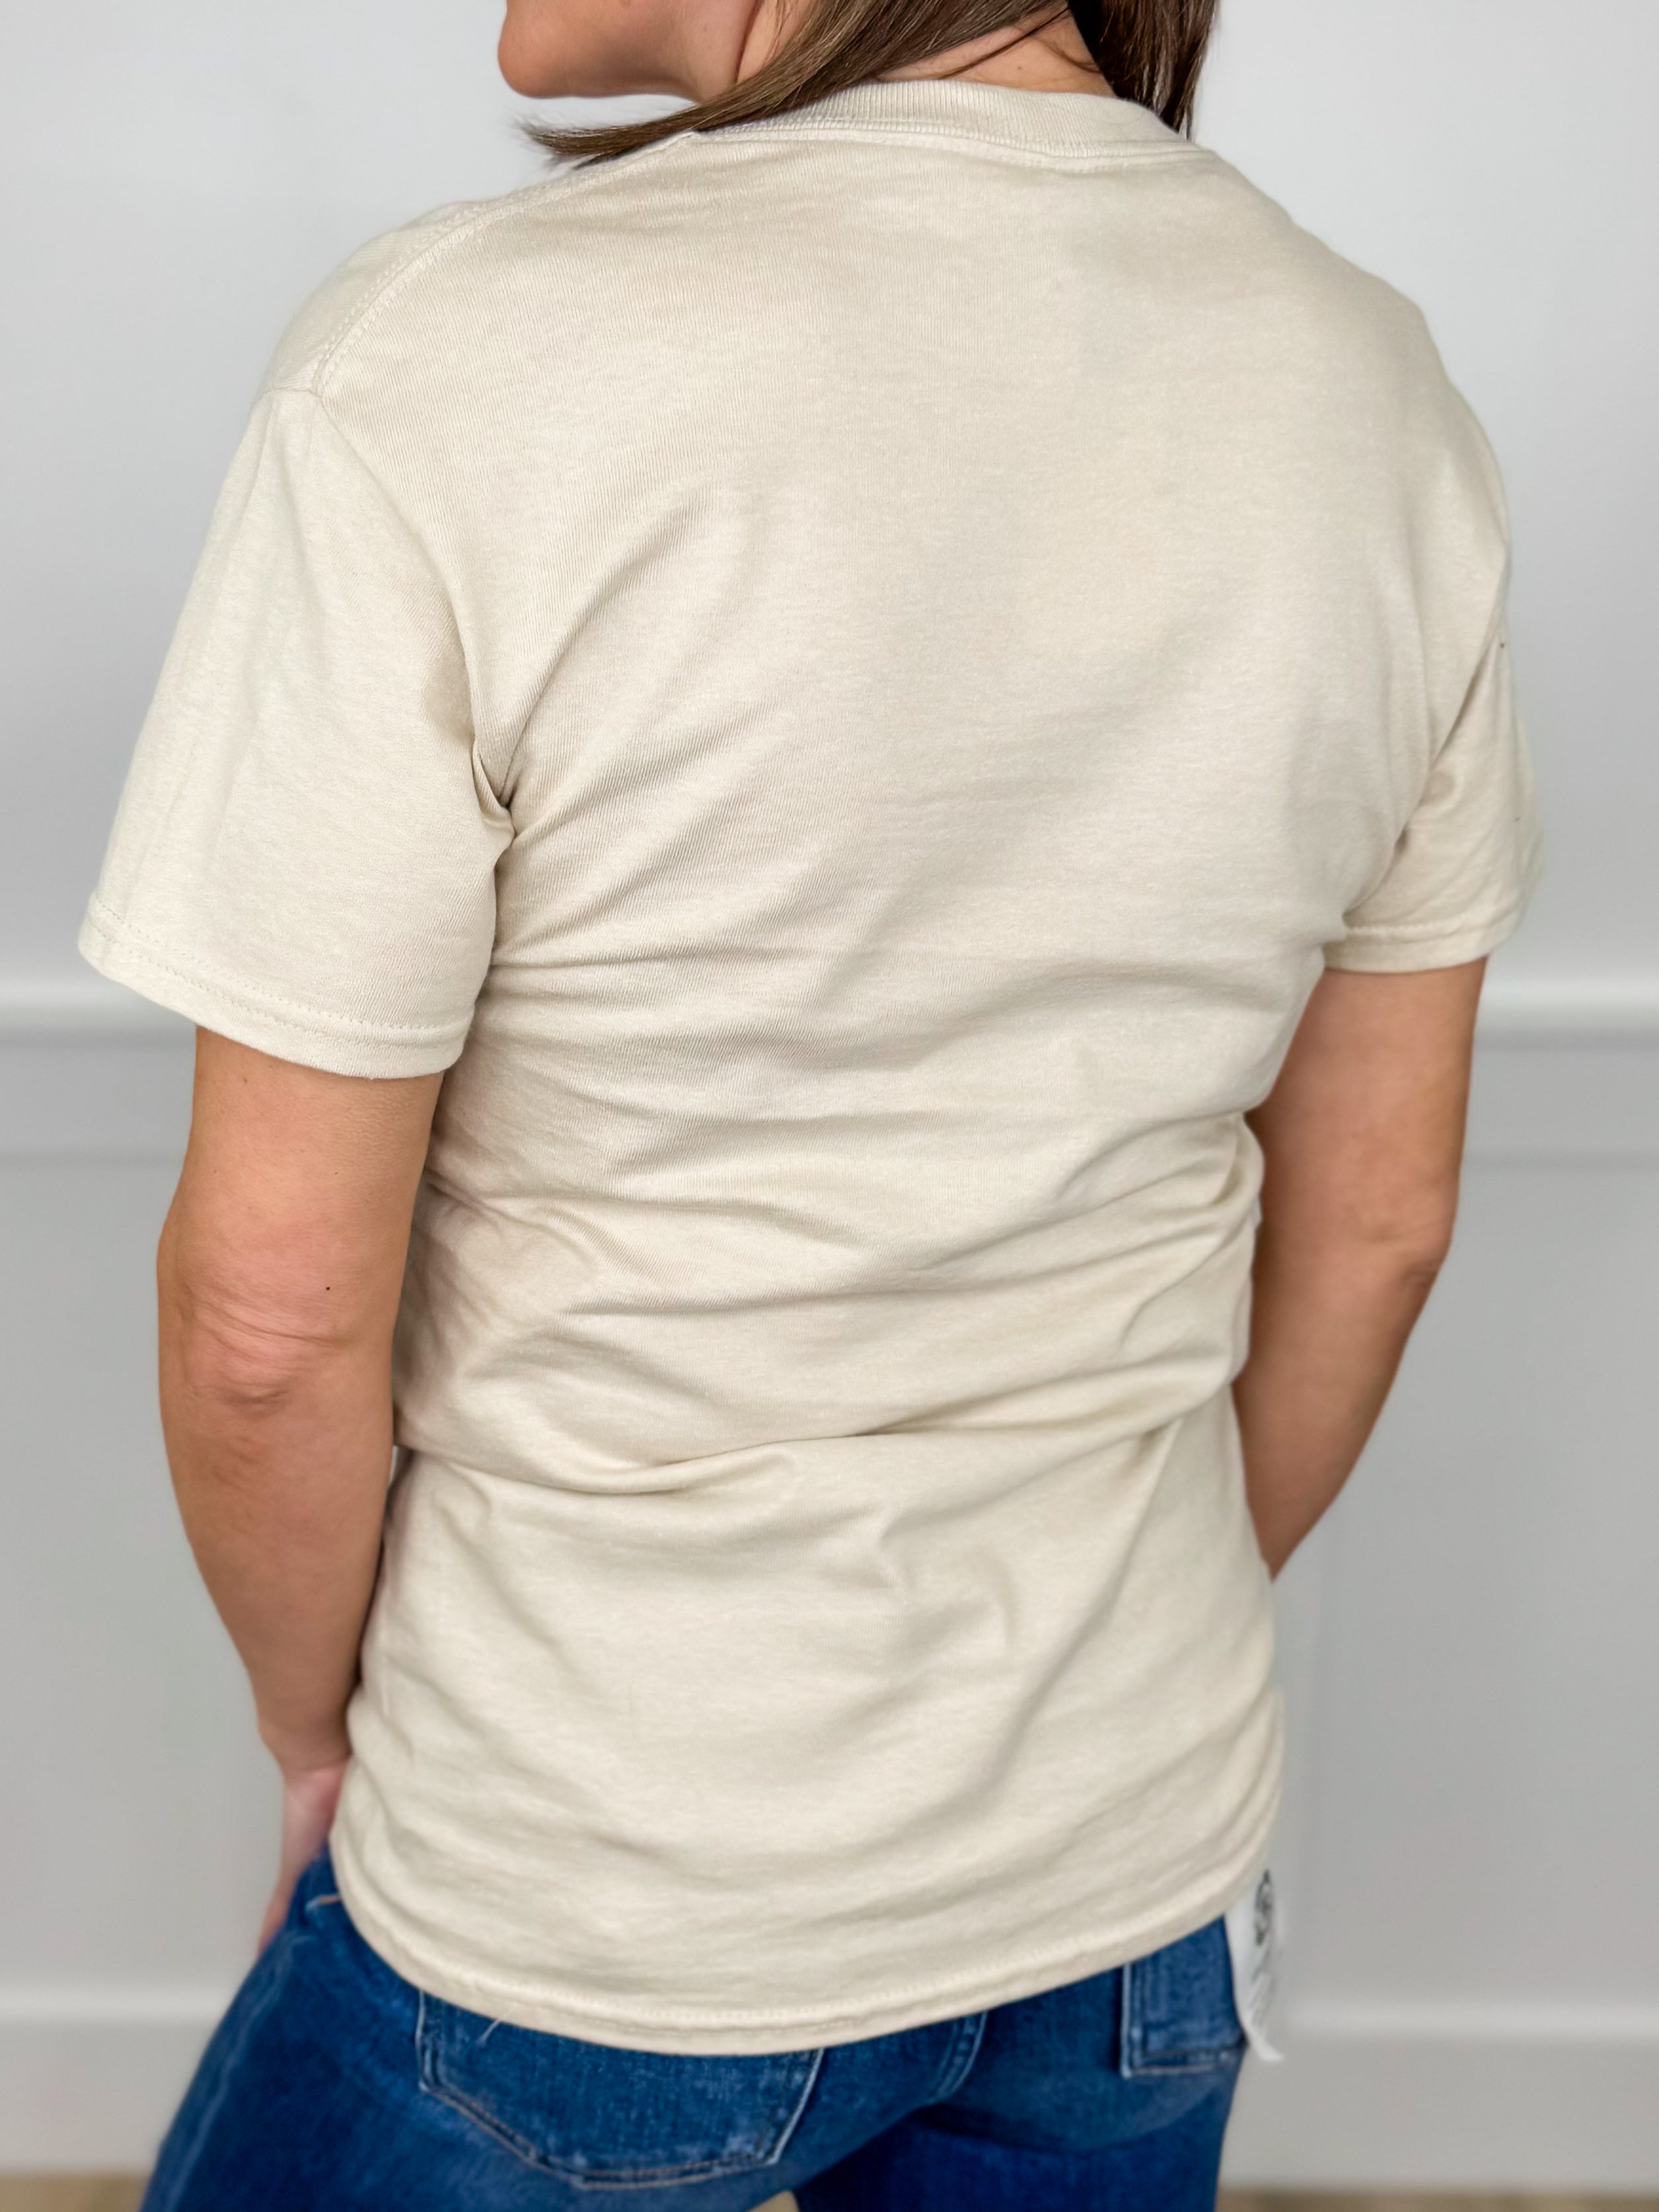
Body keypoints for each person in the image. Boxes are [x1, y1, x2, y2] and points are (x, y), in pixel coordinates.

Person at [80, 0, 1542, 2199]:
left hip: (596, 1871)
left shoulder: (451, 366)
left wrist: (324, 1728)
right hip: (1134, 1872)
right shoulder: (1375, 387)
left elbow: (270, 1311)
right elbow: (1377, 1221)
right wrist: (1096, 1638)